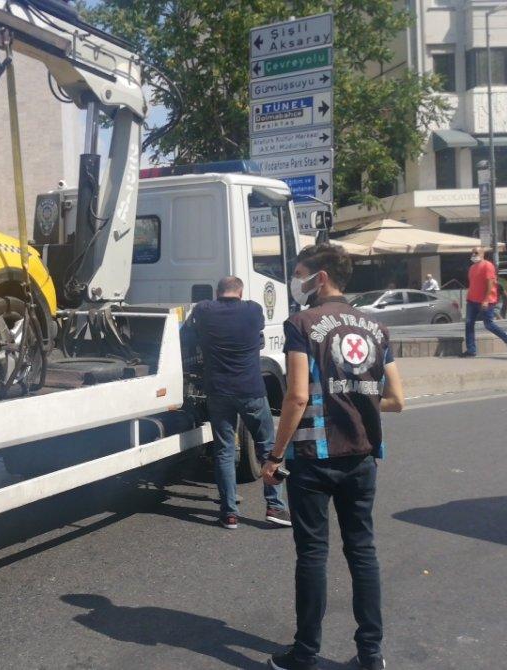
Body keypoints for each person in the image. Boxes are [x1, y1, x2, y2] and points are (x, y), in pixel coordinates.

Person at [261, 244, 405, 670]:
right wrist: (356, 399)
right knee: (363, 552)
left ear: (319, 277)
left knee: (312, 555)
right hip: (362, 455)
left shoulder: (302, 323)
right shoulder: (377, 328)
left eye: (300, 272)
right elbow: (396, 398)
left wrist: (274, 455)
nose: (296, 280)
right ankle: (371, 654)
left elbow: (297, 395)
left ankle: (305, 653)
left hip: (314, 457)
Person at [181, 276, 290, 530]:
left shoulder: (204, 310)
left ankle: (229, 513)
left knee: (224, 450)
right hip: (251, 390)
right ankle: (274, 507)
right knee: (267, 447)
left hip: (218, 392)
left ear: (217, 292)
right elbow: (259, 331)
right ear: (240, 292)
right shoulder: (253, 309)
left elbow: (191, 330)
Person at [460, 246, 507, 358]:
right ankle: (471, 350)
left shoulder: (488, 266)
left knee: (488, 324)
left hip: (486, 301)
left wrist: (485, 300)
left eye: (476, 252)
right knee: (469, 324)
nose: (474, 255)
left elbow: (490, 284)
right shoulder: (472, 268)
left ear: (482, 254)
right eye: (472, 253)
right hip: (472, 300)